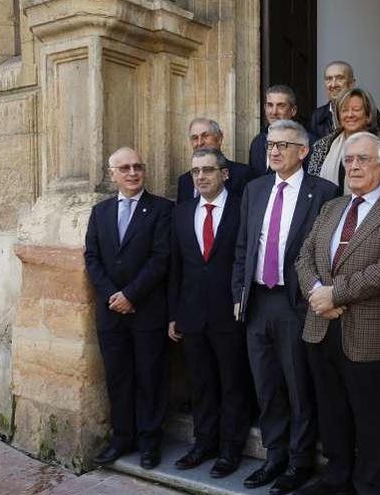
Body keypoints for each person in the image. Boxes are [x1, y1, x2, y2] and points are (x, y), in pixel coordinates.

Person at [295, 132, 380, 495]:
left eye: (363, 159)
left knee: (369, 417)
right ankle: (337, 477)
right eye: (349, 160)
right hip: (320, 326)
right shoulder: (331, 207)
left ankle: (368, 484)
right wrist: (317, 294)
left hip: (368, 332)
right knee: (331, 410)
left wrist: (335, 294)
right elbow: (304, 257)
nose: (354, 166)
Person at [232, 120, 337, 494]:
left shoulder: (323, 192)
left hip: (297, 304)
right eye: (270, 145)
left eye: (282, 145)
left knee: (298, 386)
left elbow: (327, 254)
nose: (273, 151)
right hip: (258, 302)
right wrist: (238, 296)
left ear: (303, 151)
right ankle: (274, 457)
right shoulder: (255, 189)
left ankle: (299, 462)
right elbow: (244, 247)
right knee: (266, 385)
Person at [84, 147, 173, 470]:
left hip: (147, 310)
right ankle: (123, 438)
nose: (133, 173)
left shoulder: (162, 209)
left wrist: (131, 295)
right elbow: (91, 258)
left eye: (138, 166)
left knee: (150, 377)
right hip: (111, 313)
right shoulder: (100, 212)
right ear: (112, 174)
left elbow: (161, 258)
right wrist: (113, 295)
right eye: (125, 168)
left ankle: (150, 442)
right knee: (118, 378)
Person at [167, 148, 251, 478]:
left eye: (208, 170)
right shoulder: (182, 212)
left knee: (233, 383)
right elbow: (176, 267)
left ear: (224, 174)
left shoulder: (242, 207)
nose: (200, 177)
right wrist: (174, 314)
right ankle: (204, 443)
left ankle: (231, 449)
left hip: (230, 313)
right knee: (201, 383)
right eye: (195, 172)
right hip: (192, 314)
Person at [308, 88, 380, 193]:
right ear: (338, 116)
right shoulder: (323, 145)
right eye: (344, 110)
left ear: (368, 115)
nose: (350, 115)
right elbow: (313, 185)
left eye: (356, 109)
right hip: (329, 207)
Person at [177, 118, 261, 202]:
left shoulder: (243, 174)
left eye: (205, 136)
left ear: (219, 138)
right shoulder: (184, 181)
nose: (200, 142)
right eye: (195, 138)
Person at [310, 61, 380, 140]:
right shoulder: (317, 116)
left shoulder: (367, 110)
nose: (333, 85)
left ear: (351, 84)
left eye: (340, 78)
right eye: (329, 79)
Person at [249, 85, 302, 174]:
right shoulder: (257, 142)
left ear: (293, 110)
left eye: (281, 106)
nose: (274, 112)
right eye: (270, 105)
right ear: (265, 108)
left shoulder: (308, 142)